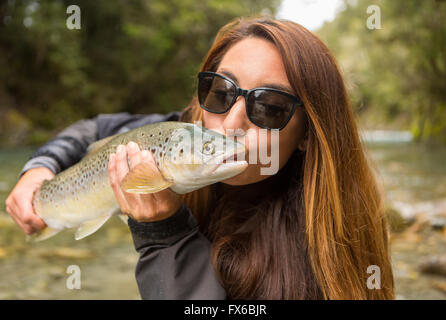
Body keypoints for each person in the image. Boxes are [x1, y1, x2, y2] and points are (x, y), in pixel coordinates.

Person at [5, 17, 395, 299]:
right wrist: (38, 168)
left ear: (310, 134)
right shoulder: (186, 134)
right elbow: (95, 129)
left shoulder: (324, 256)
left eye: (270, 106)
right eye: (221, 91)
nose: (231, 123)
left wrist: (163, 235)